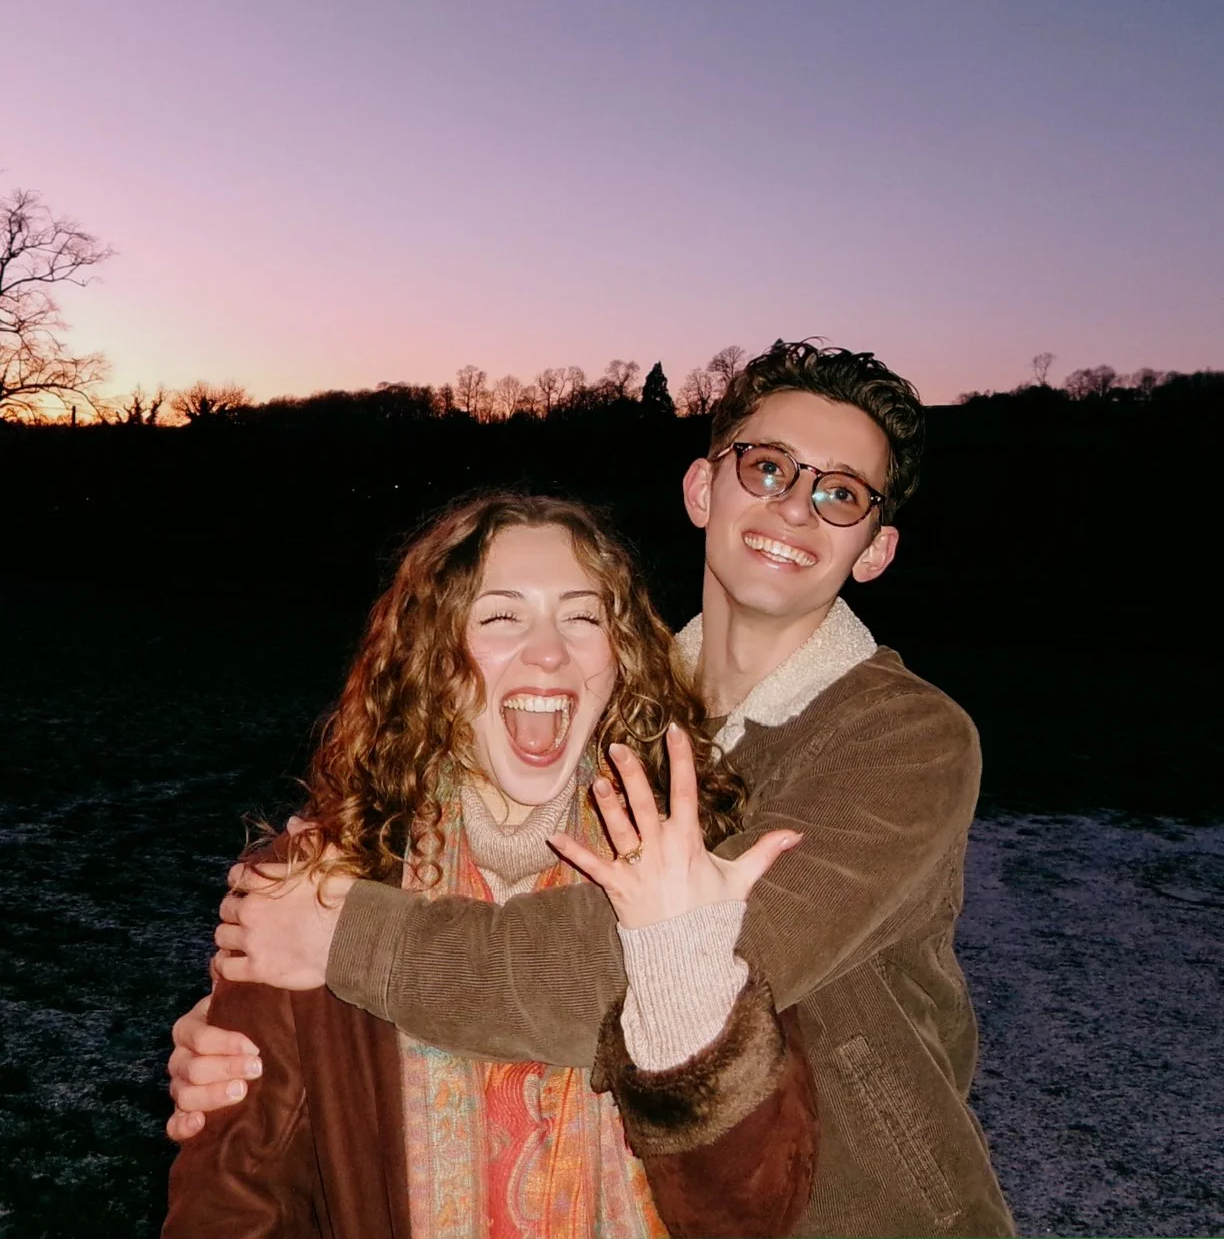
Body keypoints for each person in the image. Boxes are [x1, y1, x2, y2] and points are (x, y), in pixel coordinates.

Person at [170, 341, 1016, 1238]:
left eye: (840, 492)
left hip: (869, 1212)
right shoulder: (628, 715)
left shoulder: (904, 738)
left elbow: (667, 967)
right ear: (703, 489)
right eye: (768, 467)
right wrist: (263, 1025)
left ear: (876, 548)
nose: (796, 508)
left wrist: (344, 941)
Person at [162, 492, 817, 1239]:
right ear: (434, 658)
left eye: (582, 616)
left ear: (620, 655)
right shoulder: (313, 889)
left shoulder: (688, 867)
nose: (549, 651)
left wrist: (684, 982)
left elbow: (758, 1212)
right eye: (501, 616)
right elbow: (237, 1201)